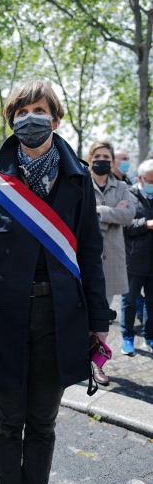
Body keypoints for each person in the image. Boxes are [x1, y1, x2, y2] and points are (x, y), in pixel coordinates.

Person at [0, 79, 113, 484]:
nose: (29, 119)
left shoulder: (79, 179)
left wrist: (99, 320)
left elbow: (90, 256)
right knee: (8, 427)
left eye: (38, 110)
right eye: (20, 113)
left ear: (56, 118)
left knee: (42, 425)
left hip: (60, 318)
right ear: (11, 120)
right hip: (2, 318)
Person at [87, 140, 135, 385]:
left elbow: (128, 215)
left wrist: (98, 212)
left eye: (107, 155)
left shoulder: (123, 186)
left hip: (111, 262)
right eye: (98, 155)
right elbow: (78, 212)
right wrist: (110, 212)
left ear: (112, 160)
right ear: (90, 158)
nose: (102, 159)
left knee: (101, 318)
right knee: (78, 315)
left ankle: (97, 365)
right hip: (83, 259)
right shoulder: (80, 182)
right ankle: (74, 361)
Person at [121, 159, 153, 356]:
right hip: (134, 259)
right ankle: (127, 337)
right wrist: (147, 224)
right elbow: (124, 225)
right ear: (140, 178)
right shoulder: (128, 195)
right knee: (130, 301)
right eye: (150, 180)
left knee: (152, 302)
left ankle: (150, 336)